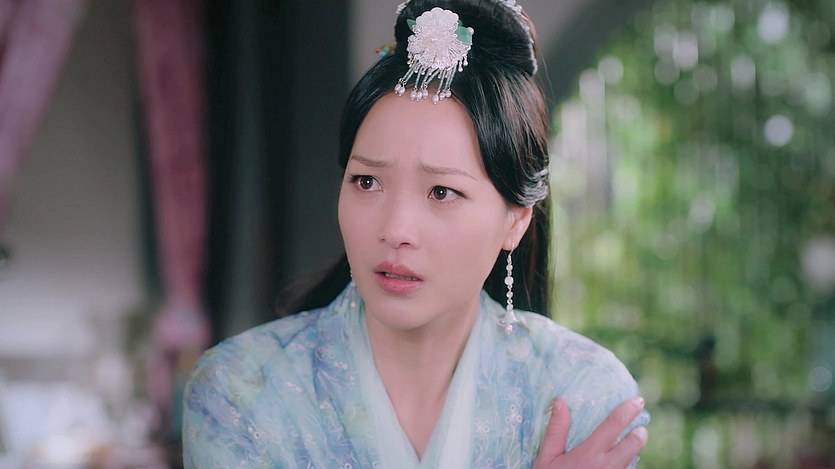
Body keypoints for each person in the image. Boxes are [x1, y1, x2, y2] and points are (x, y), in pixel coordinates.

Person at [183, 0, 649, 467]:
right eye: (367, 182)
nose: (395, 230)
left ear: (516, 220)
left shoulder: (584, 394)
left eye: (442, 192)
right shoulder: (240, 392)